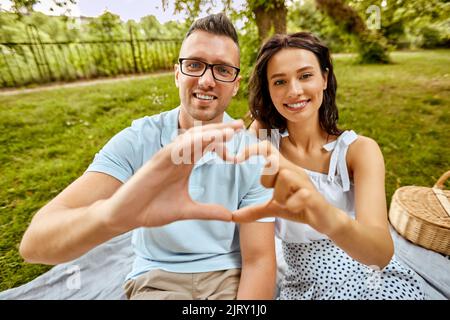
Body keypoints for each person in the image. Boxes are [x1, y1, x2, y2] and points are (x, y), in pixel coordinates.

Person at [19, 13, 276, 300]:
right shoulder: (139, 139)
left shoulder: (253, 153)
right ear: (177, 73)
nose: (206, 80)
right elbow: (34, 244)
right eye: (194, 65)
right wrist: (111, 217)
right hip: (157, 280)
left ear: (236, 83)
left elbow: (259, 261)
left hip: (229, 277)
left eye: (222, 70)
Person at [233, 32, 424, 300]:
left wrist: (323, 213)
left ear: (324, 78)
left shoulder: (359, 151)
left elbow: (379, 254)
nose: (294, 91)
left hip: (367, 279)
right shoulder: (265, 143)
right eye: (279, 81)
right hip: (302, 285)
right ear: (268, 90)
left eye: (305, 75)